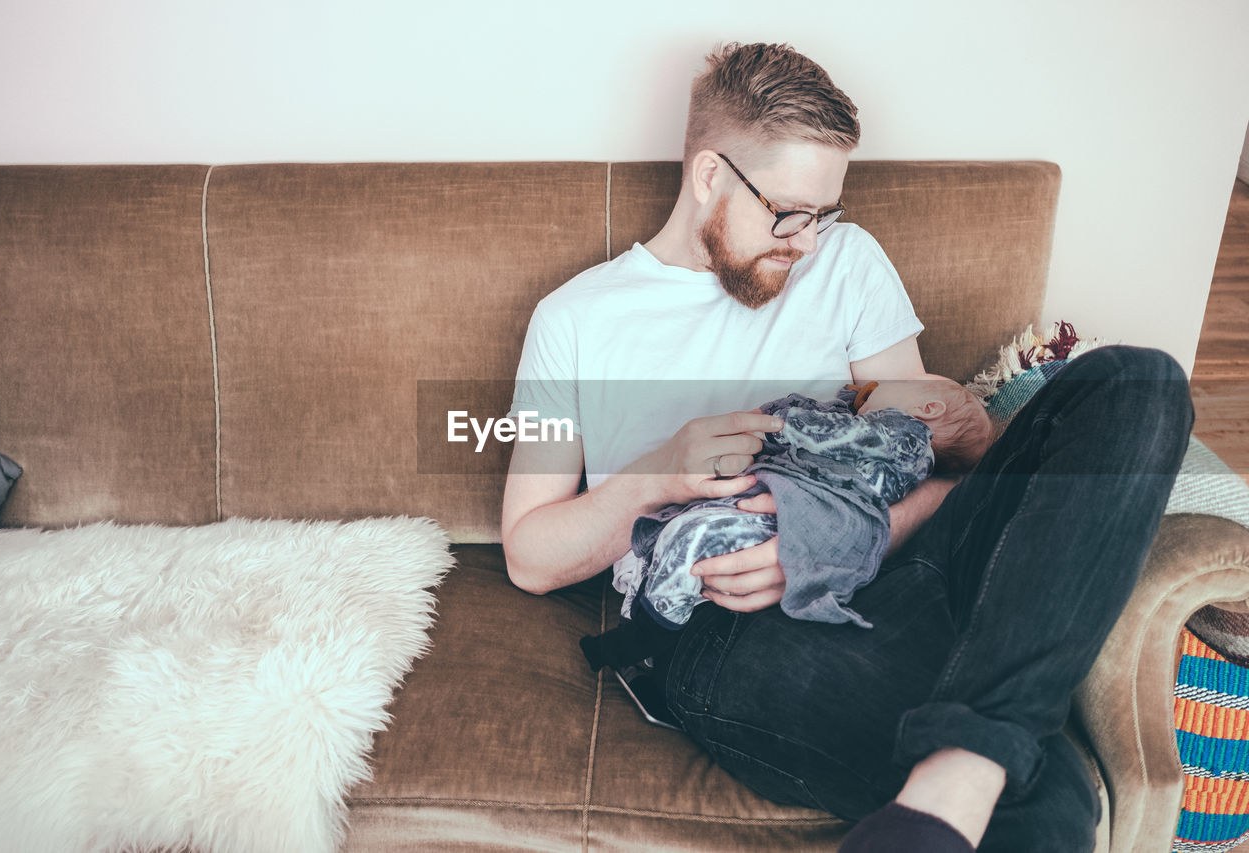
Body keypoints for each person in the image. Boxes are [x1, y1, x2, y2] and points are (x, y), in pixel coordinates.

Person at [501, 41, 1192, 853]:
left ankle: (970, 752)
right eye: (789, 214)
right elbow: (529, 553)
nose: (809, 244)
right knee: (1046, 794)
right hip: (737, 630)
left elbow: (931, 473)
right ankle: (984, 749)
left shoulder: (851, 264)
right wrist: (655, 475)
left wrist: (912, 486)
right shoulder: (578, 321)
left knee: (1135, 381)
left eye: (825, 215)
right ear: (710, 177)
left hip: (907, 567)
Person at [592, 378, 990, 643]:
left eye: (901, 384)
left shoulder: (907, 434)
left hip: (792, 521)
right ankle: (648, 623)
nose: (874, 390)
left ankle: (645, 635)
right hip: (780, 523)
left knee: (690, 539)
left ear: (930, 408)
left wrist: (777, 423)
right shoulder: (898, 444)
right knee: (687, 539)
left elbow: (833, 434)